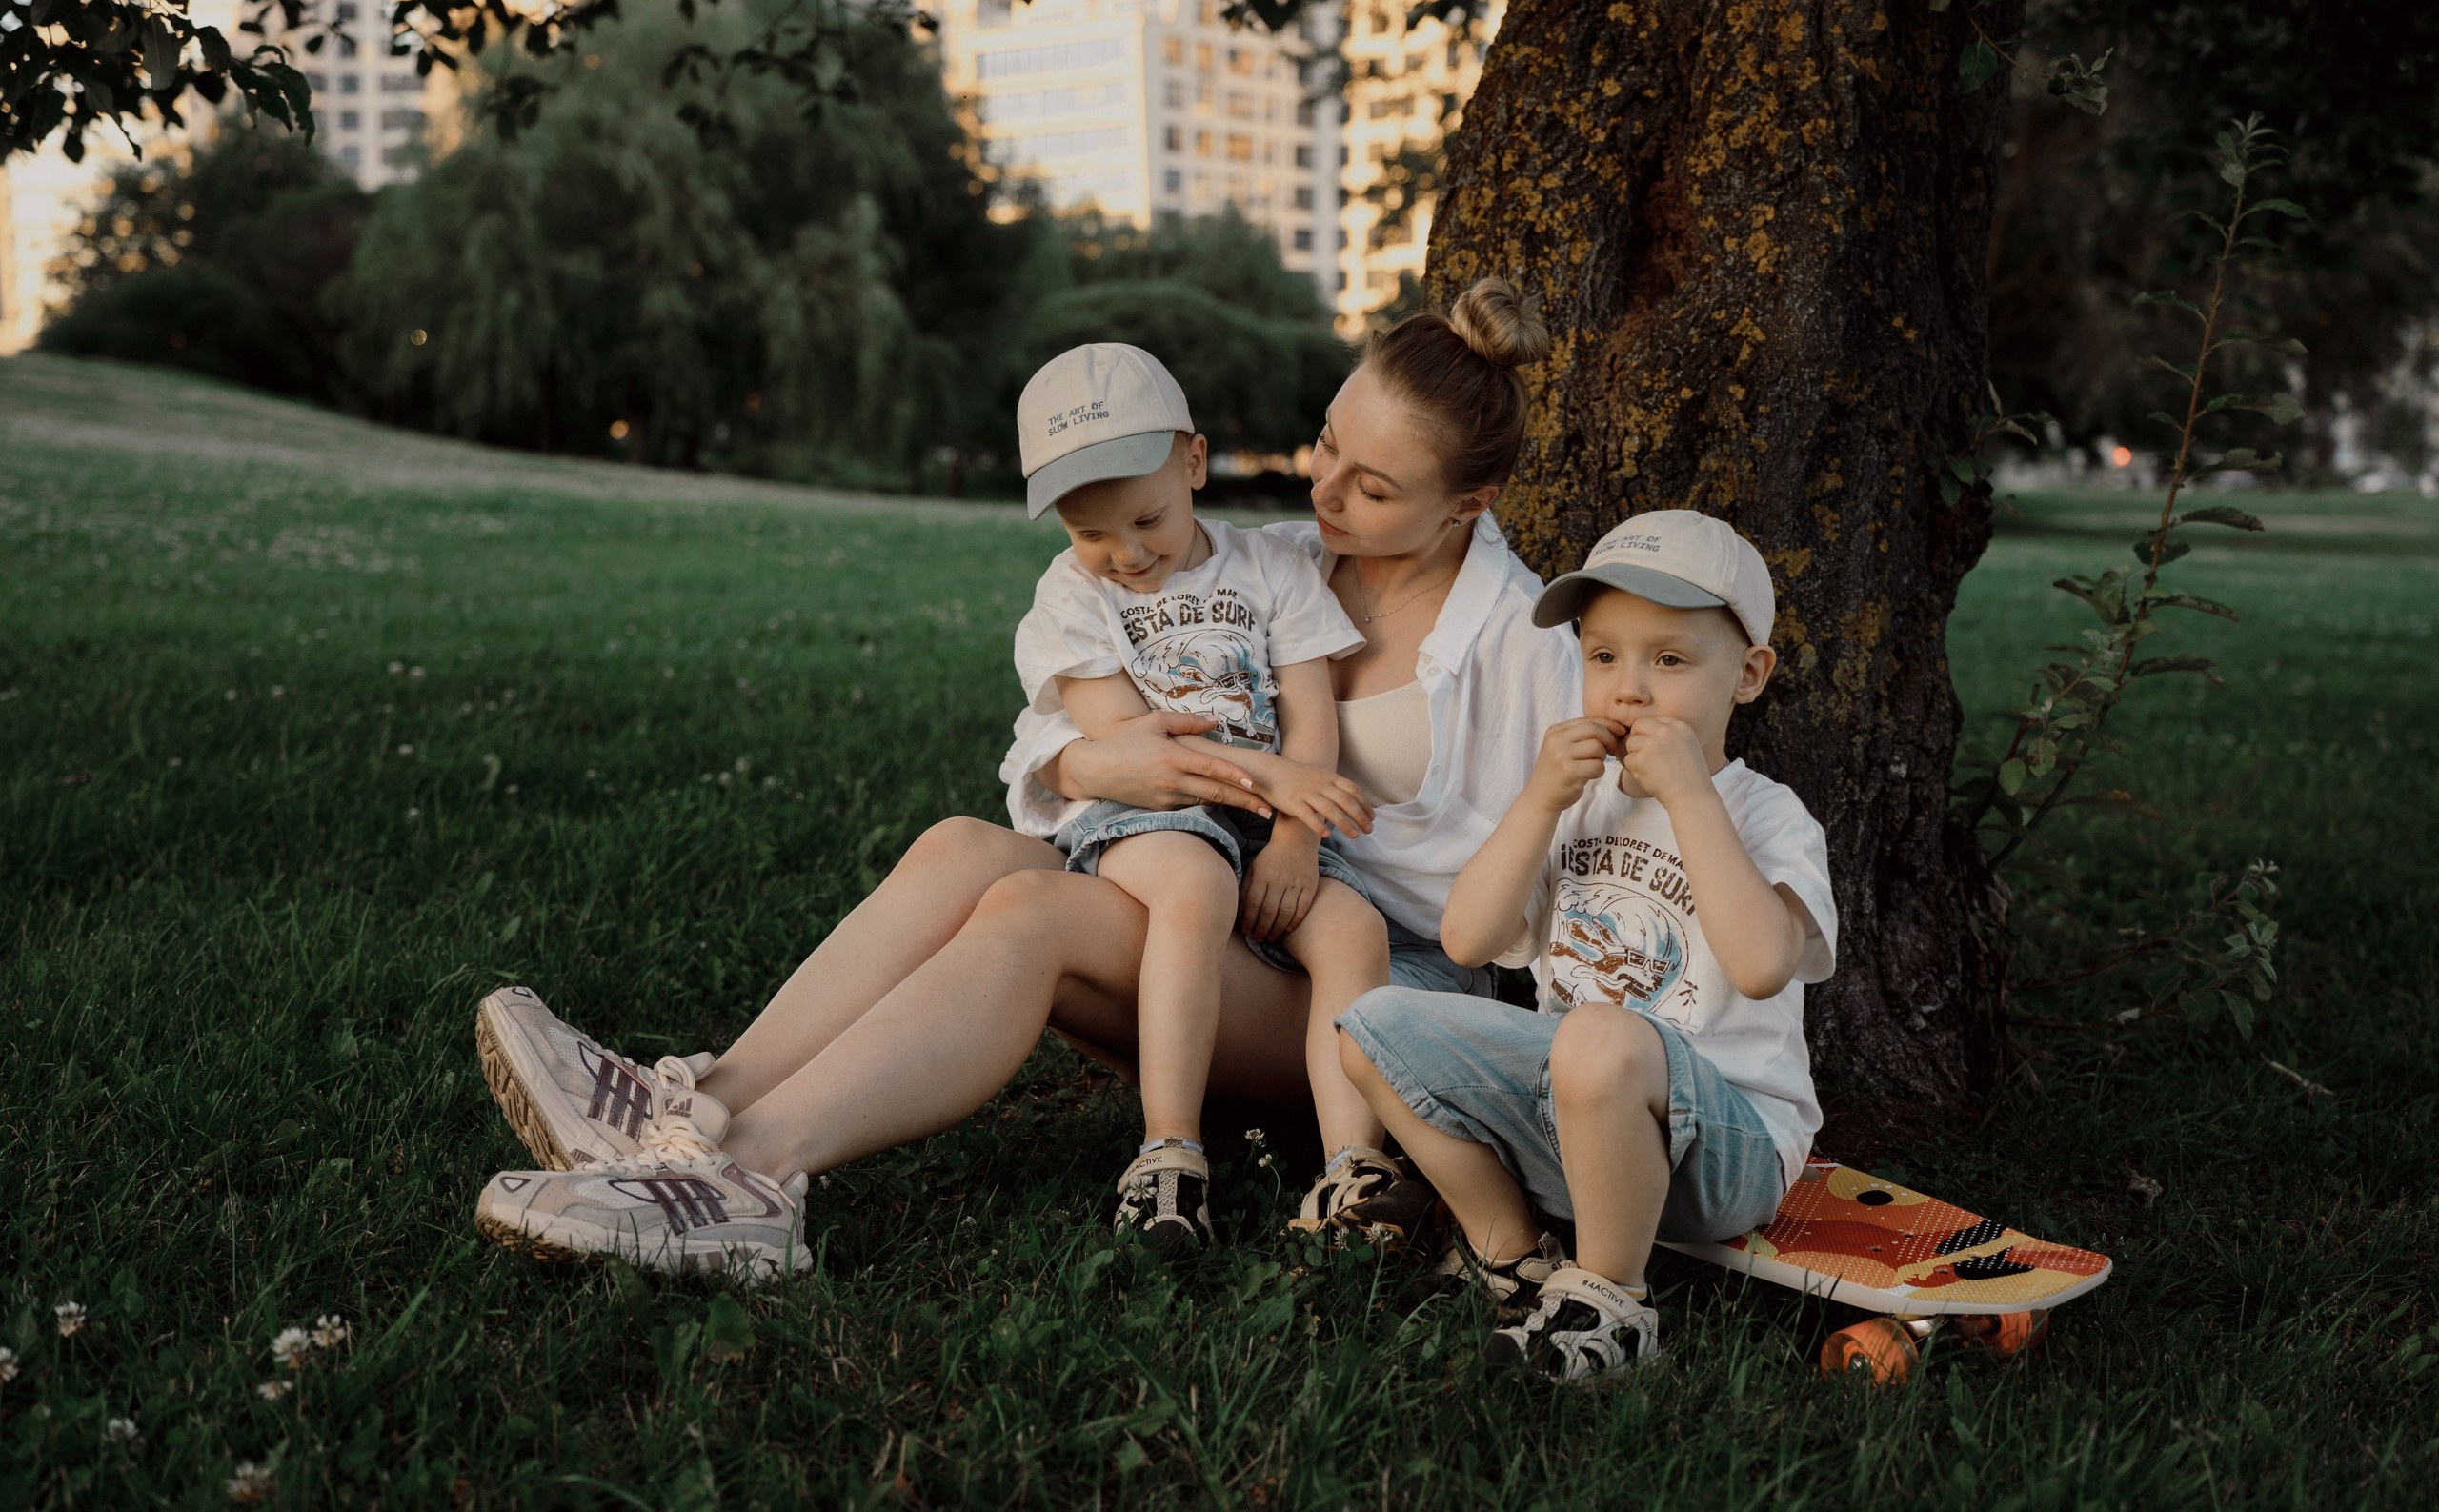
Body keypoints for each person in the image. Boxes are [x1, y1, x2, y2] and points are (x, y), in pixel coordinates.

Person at [468, 280, 1583, 1279]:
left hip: (1370, 987)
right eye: (1326, 444)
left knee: (1032, 911)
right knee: (960, 844)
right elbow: (1045, 743)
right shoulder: (1280, 556)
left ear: (1465, 507)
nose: (1327, 489)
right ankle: (695, 1105)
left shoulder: (1524, 645)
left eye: (1373, 486)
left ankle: (750, 1176)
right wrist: (1099, 757)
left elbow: (1561, 899)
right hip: (1230, 912)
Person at [1336, 511, 1837, 1381]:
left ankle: (1613, 1298)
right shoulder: (1572, 801)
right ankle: (1514, 1256)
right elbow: (1469, 937)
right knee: (1368, 1026)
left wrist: (1690, 799)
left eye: (1669, 660)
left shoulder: (1768, 816)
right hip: (1577, 1139)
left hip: (1725, 1151)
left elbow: (1762, 965)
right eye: (1603, 657)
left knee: (1599, 1034)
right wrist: (1535, 802)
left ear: (1748, 676)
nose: (1628, 689)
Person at [1008, 341, 1392, 1255]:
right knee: (1195, 886)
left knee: (1353, 930)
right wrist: (1278, 783)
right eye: (1090, 533)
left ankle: (1353, 1170)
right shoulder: (1070, 595)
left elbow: (1308, 716)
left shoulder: (1271, 568)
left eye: (1147, 520)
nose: (1125, 554)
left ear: (1194, 462)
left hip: (1272, 822)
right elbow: (1128, 741)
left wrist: (1298, 840)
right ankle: (1169, 1149)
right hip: (1153, 812)